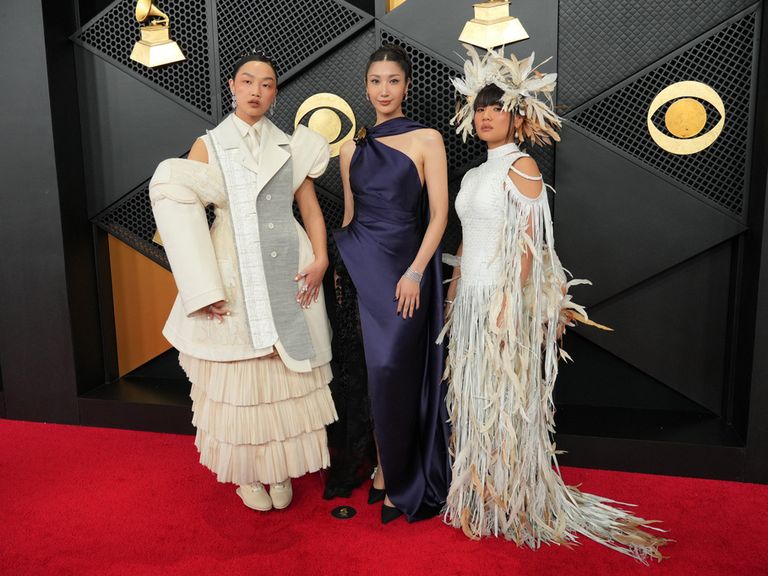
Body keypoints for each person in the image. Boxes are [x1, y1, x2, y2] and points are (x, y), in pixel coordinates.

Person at [441, 46, 667, 560]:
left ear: (516, 115)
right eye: (479, 109)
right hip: (471, 301)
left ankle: (515, 503)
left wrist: (508, 302)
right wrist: (454, 296)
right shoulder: (474, 175)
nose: (484, 117)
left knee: (506, 403)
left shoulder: (522, 168)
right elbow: (467, 238)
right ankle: (482, 496)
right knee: (475, 403)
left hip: (502, 304)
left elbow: (529, 244)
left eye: (494, 108)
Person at [149, 52, 337, 512]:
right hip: (233, 266)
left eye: (267, 84)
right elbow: (180, 204)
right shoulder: (209, 144)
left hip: (290, 264)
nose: (256, 91)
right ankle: (248, 474)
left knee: (283, 377)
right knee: (242, 382)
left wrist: (320, 259)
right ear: (233, 86)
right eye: (248, 81)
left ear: (275, 93)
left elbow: (310, 210)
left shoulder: (292, 144)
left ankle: (279, 469)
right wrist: (202, 284)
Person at [331, 45, 451, 523]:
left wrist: (417, 271)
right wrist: (342, 270)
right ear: (366, 87)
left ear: (406, 86)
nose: (384, 89)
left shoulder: (427, 139)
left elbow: (439, 214)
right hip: (360, 267)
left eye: (393, 81)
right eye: (376, 81)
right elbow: (349, 215)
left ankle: (402, 472)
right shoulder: (349, 148)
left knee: (394, 371)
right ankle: (381, 467)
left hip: (406, 273)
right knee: (366, 371)